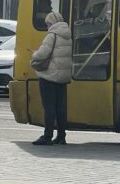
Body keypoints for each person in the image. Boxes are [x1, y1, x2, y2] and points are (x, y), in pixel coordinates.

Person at [31, 11, 72, 145]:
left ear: (51, 23)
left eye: (48, 23)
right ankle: (61, 136)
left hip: (50, 76)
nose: (47, 26)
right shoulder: (67, 35)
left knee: (49, 107)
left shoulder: (52, 35)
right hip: (63, 77)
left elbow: (43, 54)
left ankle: (47, 136)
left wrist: (34, 54)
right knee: (61, 108)